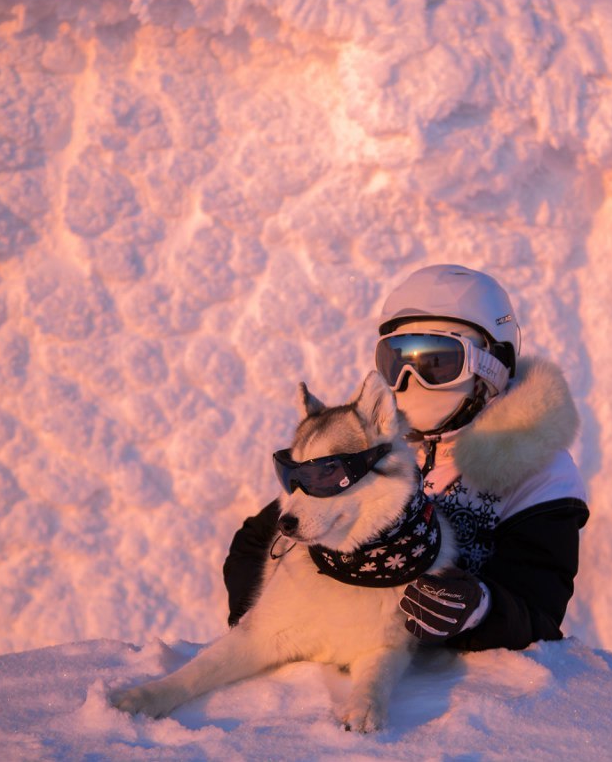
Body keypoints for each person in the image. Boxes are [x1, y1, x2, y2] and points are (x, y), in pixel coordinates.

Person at [223, 264, 588, 650]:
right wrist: (261, 628)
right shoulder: (375, 450)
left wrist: (483, 610)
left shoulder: (539, 470)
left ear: (490, 366)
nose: (410, 381)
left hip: (452, 695)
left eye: (436, 362)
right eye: (397, 362)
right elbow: (257, 540)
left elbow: (539, 614)